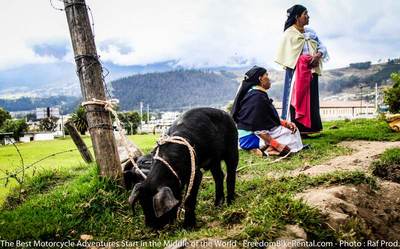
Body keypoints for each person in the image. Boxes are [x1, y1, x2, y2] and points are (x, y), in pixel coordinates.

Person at [275, 4, 329, 135]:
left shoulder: (311, 32)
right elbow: (287, 54)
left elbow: (322, 47)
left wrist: (318, 55)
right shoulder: (289, 34)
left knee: (311, 98)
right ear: (297, 17)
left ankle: (311, 129)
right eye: (305, 14)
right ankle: (296, 128)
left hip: (311, 70)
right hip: (296, 73)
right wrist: (301, 62)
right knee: (297, 98)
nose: (308, 16)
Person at [231, 66, 304, 157]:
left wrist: (284, 123)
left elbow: (265, 118)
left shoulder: (256, 93)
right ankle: (267, 150)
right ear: (260, 78)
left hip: (250, 134)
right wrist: (276, 144)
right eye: (266, 75)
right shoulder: (256, 97)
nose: (269, 79)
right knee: (289, 134)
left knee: (291, 129)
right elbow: (258, 127)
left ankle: (264, 149)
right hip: (249, 138)